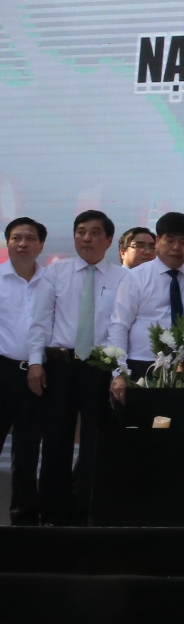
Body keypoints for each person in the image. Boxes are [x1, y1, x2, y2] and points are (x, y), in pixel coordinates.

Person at [27, 211, 125, 526]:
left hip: (100, 366)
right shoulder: (57, 272)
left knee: (96, 442)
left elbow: (120, 326)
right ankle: (53, 513)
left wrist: (118, 371)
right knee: (56, 439)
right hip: (61, 366)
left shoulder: (123, 277)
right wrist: (35, 363)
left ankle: (89, 512)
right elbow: (41, 320)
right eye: (81, 232)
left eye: (95, 232)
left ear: (108, 240)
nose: (86, 238)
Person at [107, 211, 184, 385]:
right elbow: (119, 325)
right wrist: (119, 373)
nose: (176, 247)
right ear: (158, 242)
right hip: (141, 365)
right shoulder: (135, 278)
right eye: (170, 240)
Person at [1, 218, 46, 525]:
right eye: (16, 238)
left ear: (41, 245)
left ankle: (24, 522)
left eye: (30, 238)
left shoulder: (51, 281)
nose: (22, 243)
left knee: (28, 451)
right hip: (2, 370)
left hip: (37, 375)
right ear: (7, 243)